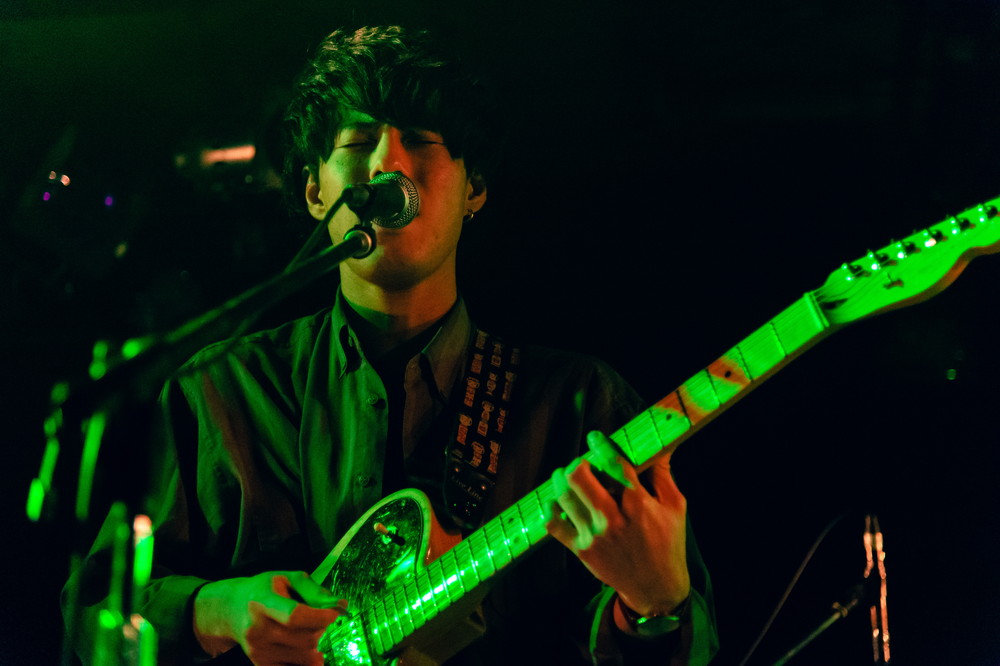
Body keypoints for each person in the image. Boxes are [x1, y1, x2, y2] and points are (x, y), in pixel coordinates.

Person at [64, 25, 719, 665]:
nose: (387, 164)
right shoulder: (218, 392)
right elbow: (89, 612)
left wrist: (656, 605)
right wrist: (217, 609)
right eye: (358, 142)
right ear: (315, 192)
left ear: (474, 189)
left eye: (421, 140)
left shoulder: (576, 406)